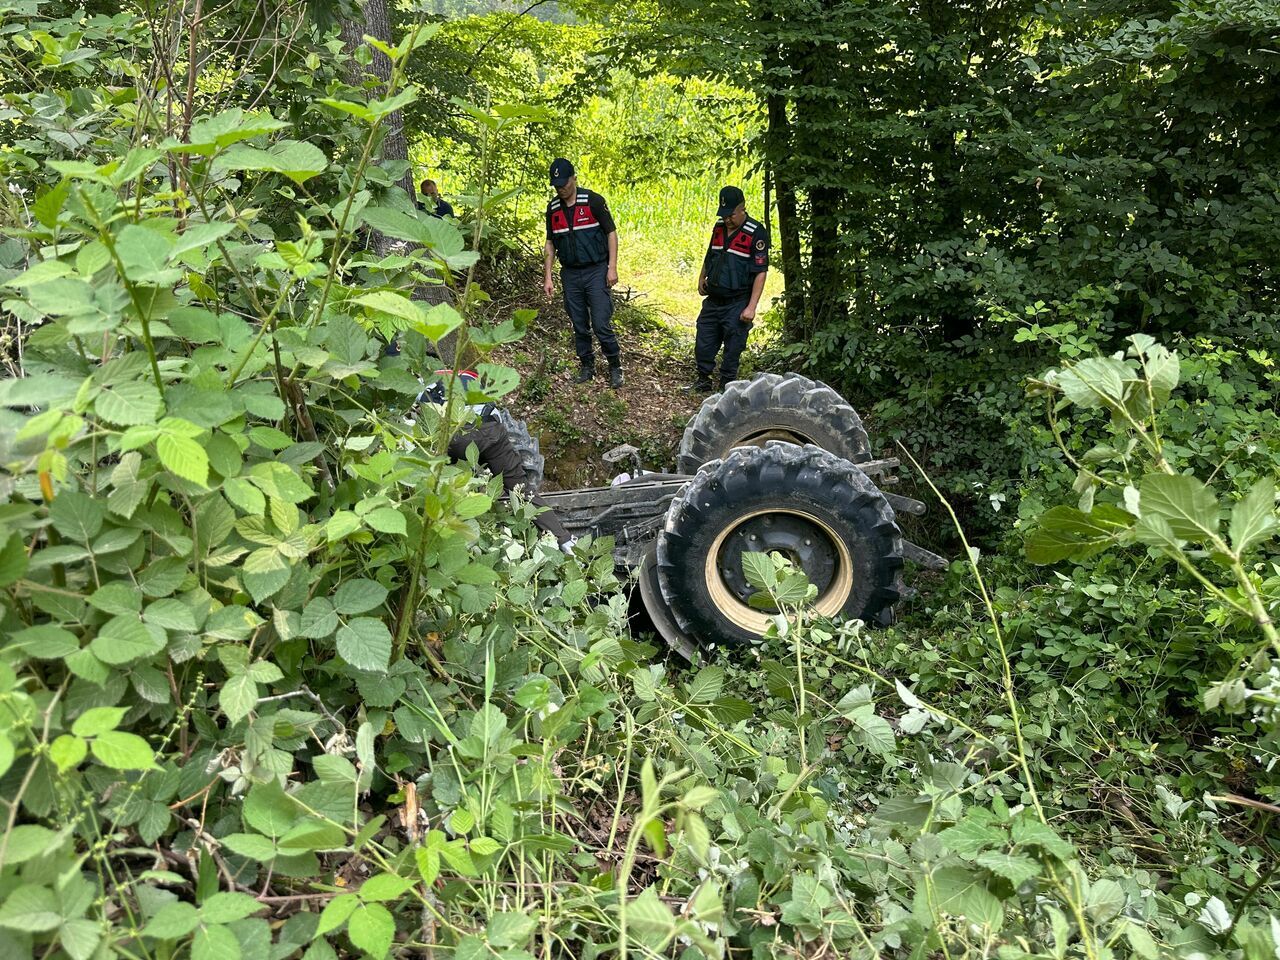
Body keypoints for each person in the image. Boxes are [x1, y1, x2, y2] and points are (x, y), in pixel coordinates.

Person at [420, 370, 575, 552]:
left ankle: (453, 535)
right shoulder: (469, 376)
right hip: (493, 429)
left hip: (457, 433)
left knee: (441, 481)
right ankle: (564, 541)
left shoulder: (423, 382)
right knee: (520, 488)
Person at [542, 158, 623, 389]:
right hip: (570, 273)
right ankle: (587, 364)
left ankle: (615, 364)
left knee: (600, 322)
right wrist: (548, 276)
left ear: (574, 179)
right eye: (556, 185)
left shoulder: (593, 201)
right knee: (579, 323)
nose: (561, 189)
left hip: (596, 270)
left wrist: (612, 267)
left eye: (564, 184)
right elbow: (550, 243)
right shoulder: (553, 209)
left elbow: (611, 233)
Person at [688, 186, 769, 393]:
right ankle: (703, 380)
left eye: (731, 215)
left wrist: (751, 307)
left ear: (742, 209)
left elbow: (760, 271)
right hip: (714, 299)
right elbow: (710, 254)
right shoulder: (719, 227)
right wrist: (701, 277)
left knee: (733, 346)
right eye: (724, 215)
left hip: (737, 301)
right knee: (704, 340)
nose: (727, 219)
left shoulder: (756, 233)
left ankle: (727, 386)